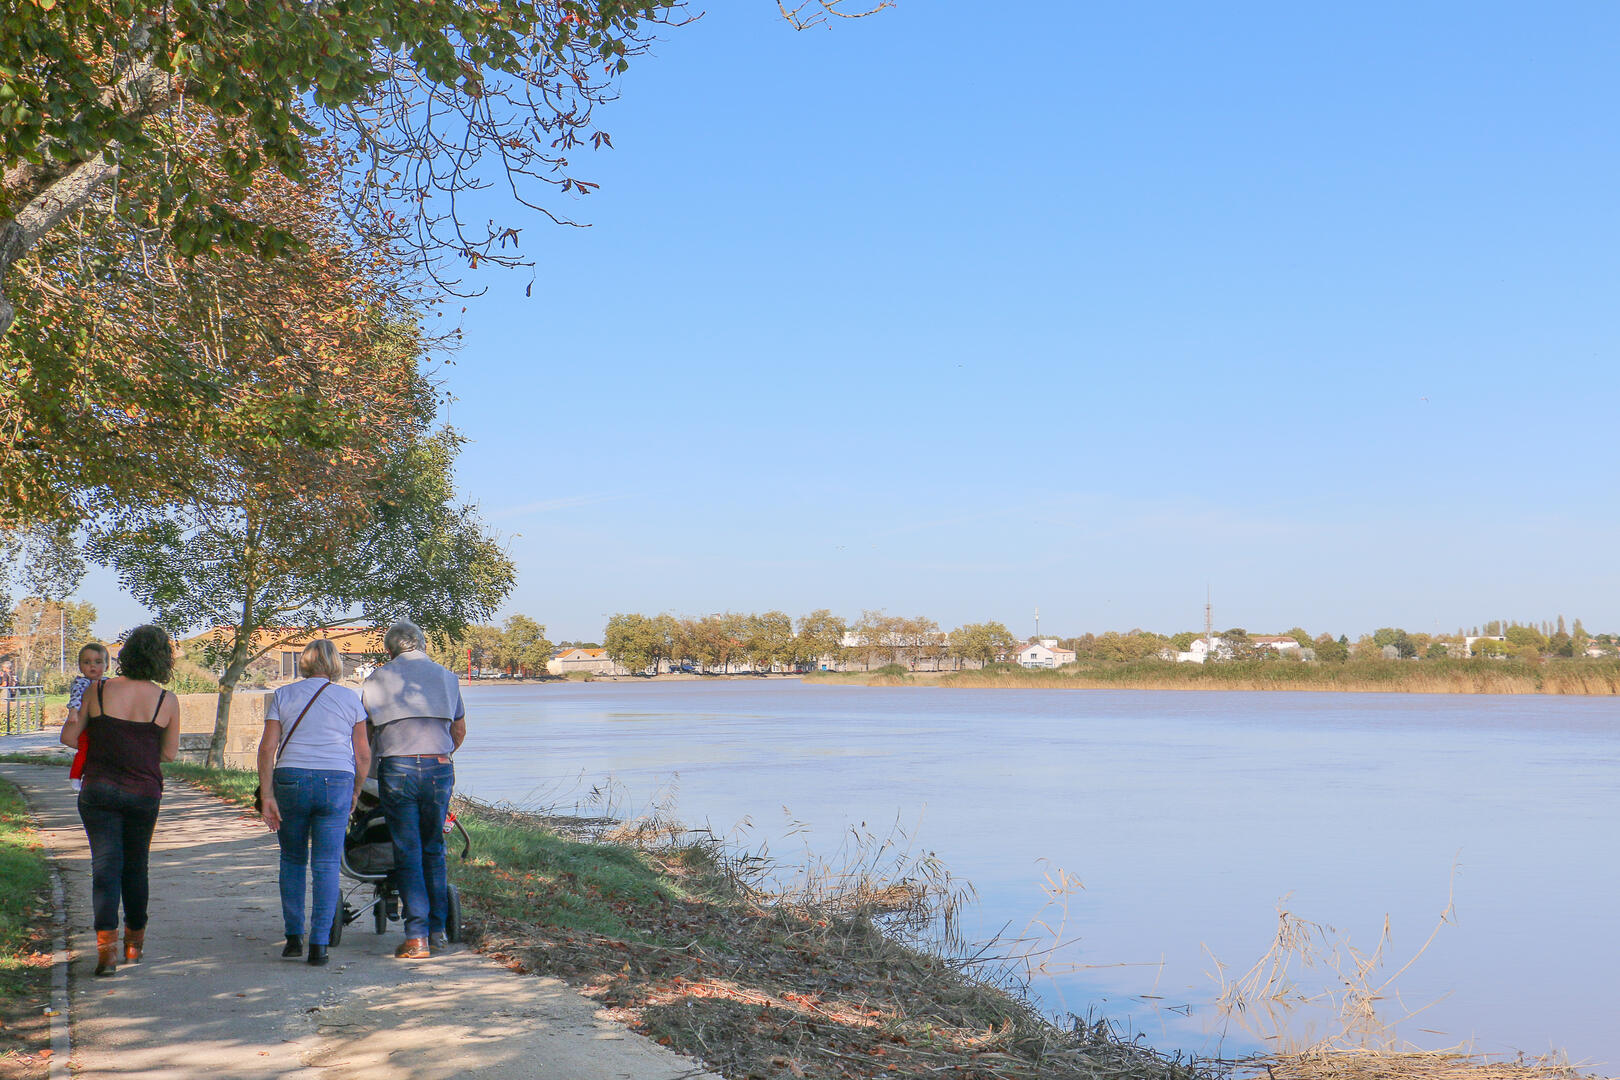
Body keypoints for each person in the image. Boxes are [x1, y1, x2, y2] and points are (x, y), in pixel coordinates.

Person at [58, 625, 180, 976]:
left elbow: (70, 737)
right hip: (143, 793)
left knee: (105, 868)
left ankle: (106, 953)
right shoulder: (165, 699)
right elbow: (169, 754)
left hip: (98, 790)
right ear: (161, 659)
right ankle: (133, 946)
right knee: (136, 866)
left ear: (125, 655)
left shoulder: (97, 689)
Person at [258, 639, 370, 967]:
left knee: (292, 859)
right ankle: (319, 944)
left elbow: (267, 749)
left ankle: (293, 937)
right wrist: (356, 791)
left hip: (291, 779)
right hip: (335, 780)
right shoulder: (350, 698)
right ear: (335, 663)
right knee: (325, 864)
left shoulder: (283, 695)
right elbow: (363, 754)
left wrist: (267, 795)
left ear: (304, 663)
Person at [361, 620, 464, 959]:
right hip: (438, 765)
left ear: (389, 650)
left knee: (407, 850)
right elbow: (459, 731)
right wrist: (439, 756)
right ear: (422, 644)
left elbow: (366, 735)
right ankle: (437, 932)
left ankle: (416, 936)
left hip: (397, 768)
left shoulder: (376, 679)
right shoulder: (447, 678)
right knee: (433, 846)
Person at [66, 643, 110, 791]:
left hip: (104, 724)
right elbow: (75, 698)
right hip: (87, 723)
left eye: (98, 662)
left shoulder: (108, 683)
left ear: (106, 666)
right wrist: (73, 712)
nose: (92, 666)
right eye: (87, 662)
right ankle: (75, 776)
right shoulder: (81, 683)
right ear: (80, 666)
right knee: (84, 750)